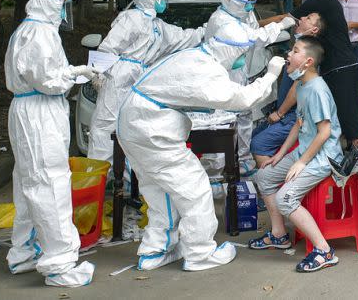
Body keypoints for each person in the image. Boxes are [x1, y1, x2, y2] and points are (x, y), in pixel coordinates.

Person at [117, 20, 286, 271]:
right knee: (194, 189)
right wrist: (271, 75)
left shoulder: (197, 55)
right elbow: (243, 99)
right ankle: (199, 253)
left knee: (159, 190)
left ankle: (156, 249)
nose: (242, 60)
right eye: (241, 54)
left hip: (133, 124)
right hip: (151, 130)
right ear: (232, 51)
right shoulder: (206, 71)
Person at [5, 0, 98, 287]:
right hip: (39, 112)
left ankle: (25, 252)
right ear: (44, 0)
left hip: (33, 110)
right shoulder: (40, 32)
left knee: (29, 183)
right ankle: (59, 264)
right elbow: (47, 80)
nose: (62, 8)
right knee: (50, 183)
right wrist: (76, 72)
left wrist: (72, 72)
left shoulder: (30, 29)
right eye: (58, 1)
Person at [250, 36, 344, 273]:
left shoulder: (317, 90)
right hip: (305, 151)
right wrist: (280, 155)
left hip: (324, 158)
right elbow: (298, 124)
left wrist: (301, 162)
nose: (288, 55)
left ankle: (324, 251)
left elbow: (324, 132)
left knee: (285, 199)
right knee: (264, 176)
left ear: (308, 61)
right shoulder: (301, 85)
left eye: (295, 51)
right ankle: (279, 234)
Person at [88, 0, 207, 163]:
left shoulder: (157, 26)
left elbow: (184, 37)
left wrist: (206, 31)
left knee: (133, 129)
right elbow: (108, 47)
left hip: (139, 81)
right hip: (118, 79)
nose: (164, 1)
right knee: (106, 125)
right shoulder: (131, 19)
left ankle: (128, 178)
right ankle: (100, 175)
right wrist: (98, 73)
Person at [263, 0, 358, 144]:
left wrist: (254, 27)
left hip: (341, 66)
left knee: (349, 121)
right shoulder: (322, 1)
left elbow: (285, 18)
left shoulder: (321, 0)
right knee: (336, 118)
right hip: (333, 65)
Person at [202, 0, 295, 174]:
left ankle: (242, 161)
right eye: (245, 3)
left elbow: (252, 32)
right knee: (223, 121)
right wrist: (280, 24)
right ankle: (222, 170)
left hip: (237, 75)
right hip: (224, 78)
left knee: (243, 116)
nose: (248, 7)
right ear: (231, 1)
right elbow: (254, 37)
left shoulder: (235, 17)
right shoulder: (222, 21)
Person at [250, 13, 324, 167]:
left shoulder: (310, 52)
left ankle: (269, 184)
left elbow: (297, 86)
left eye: (308, 18)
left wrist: (280, 113)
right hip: (290, 113)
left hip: (293, 115)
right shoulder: (301, 46)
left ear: (314, 29)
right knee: (254, 135)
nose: (302, 18)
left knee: (259, 144)